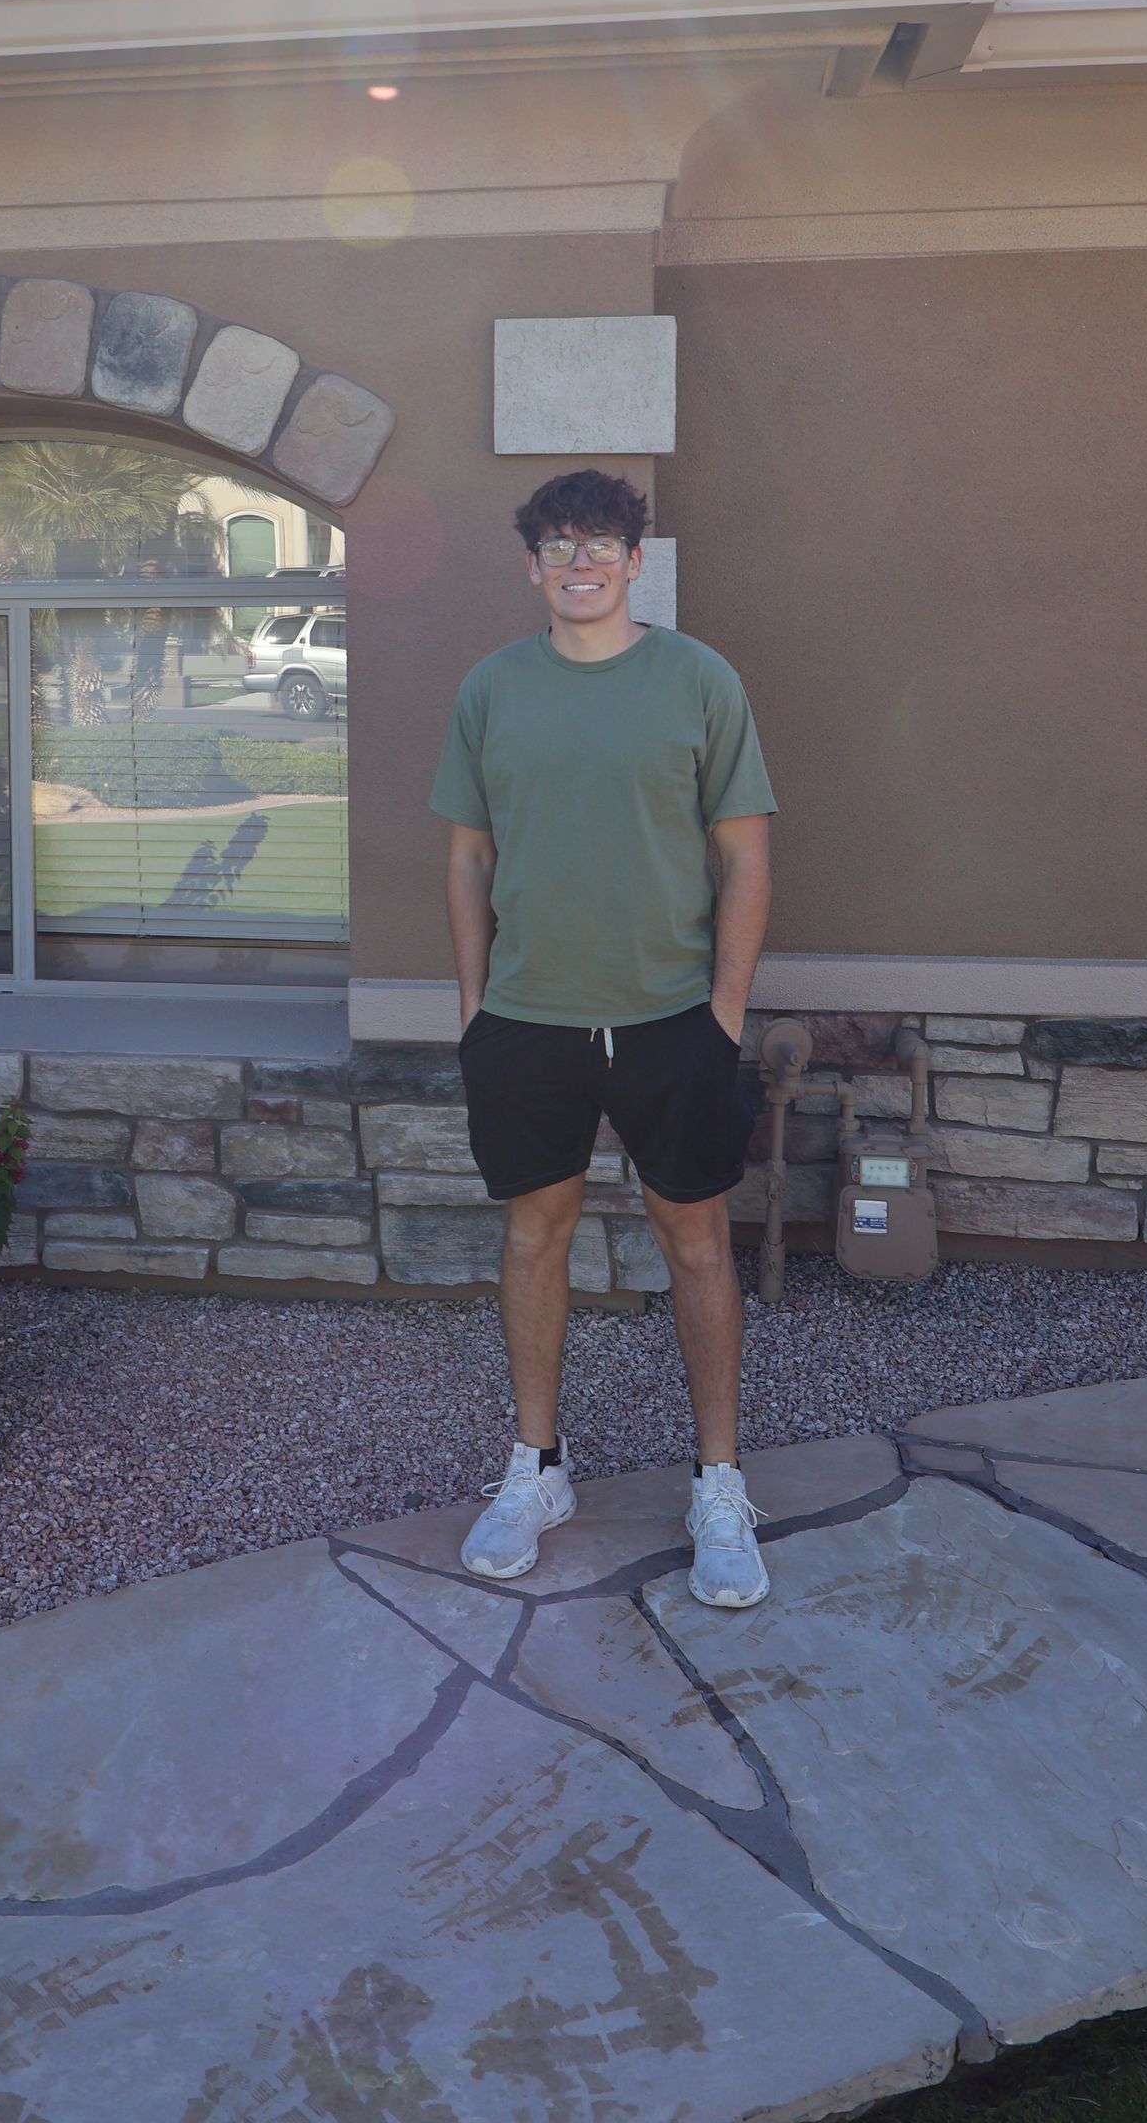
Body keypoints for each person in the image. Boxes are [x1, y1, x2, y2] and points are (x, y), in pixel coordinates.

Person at [430, 467, 777, 1602]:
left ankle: (719, 1482)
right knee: (536, 1236)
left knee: (698, 1243)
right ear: (532, 566)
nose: (581, 563)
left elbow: (744, 854)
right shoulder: (492, 688)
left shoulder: (699, 680)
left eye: (603, 544)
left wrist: (724, 1013)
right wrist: (474, 1008)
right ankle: (536, 1469)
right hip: (528, 1018)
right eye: (559, 545)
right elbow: (469, 856)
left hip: (674, 1018)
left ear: (637, 561)